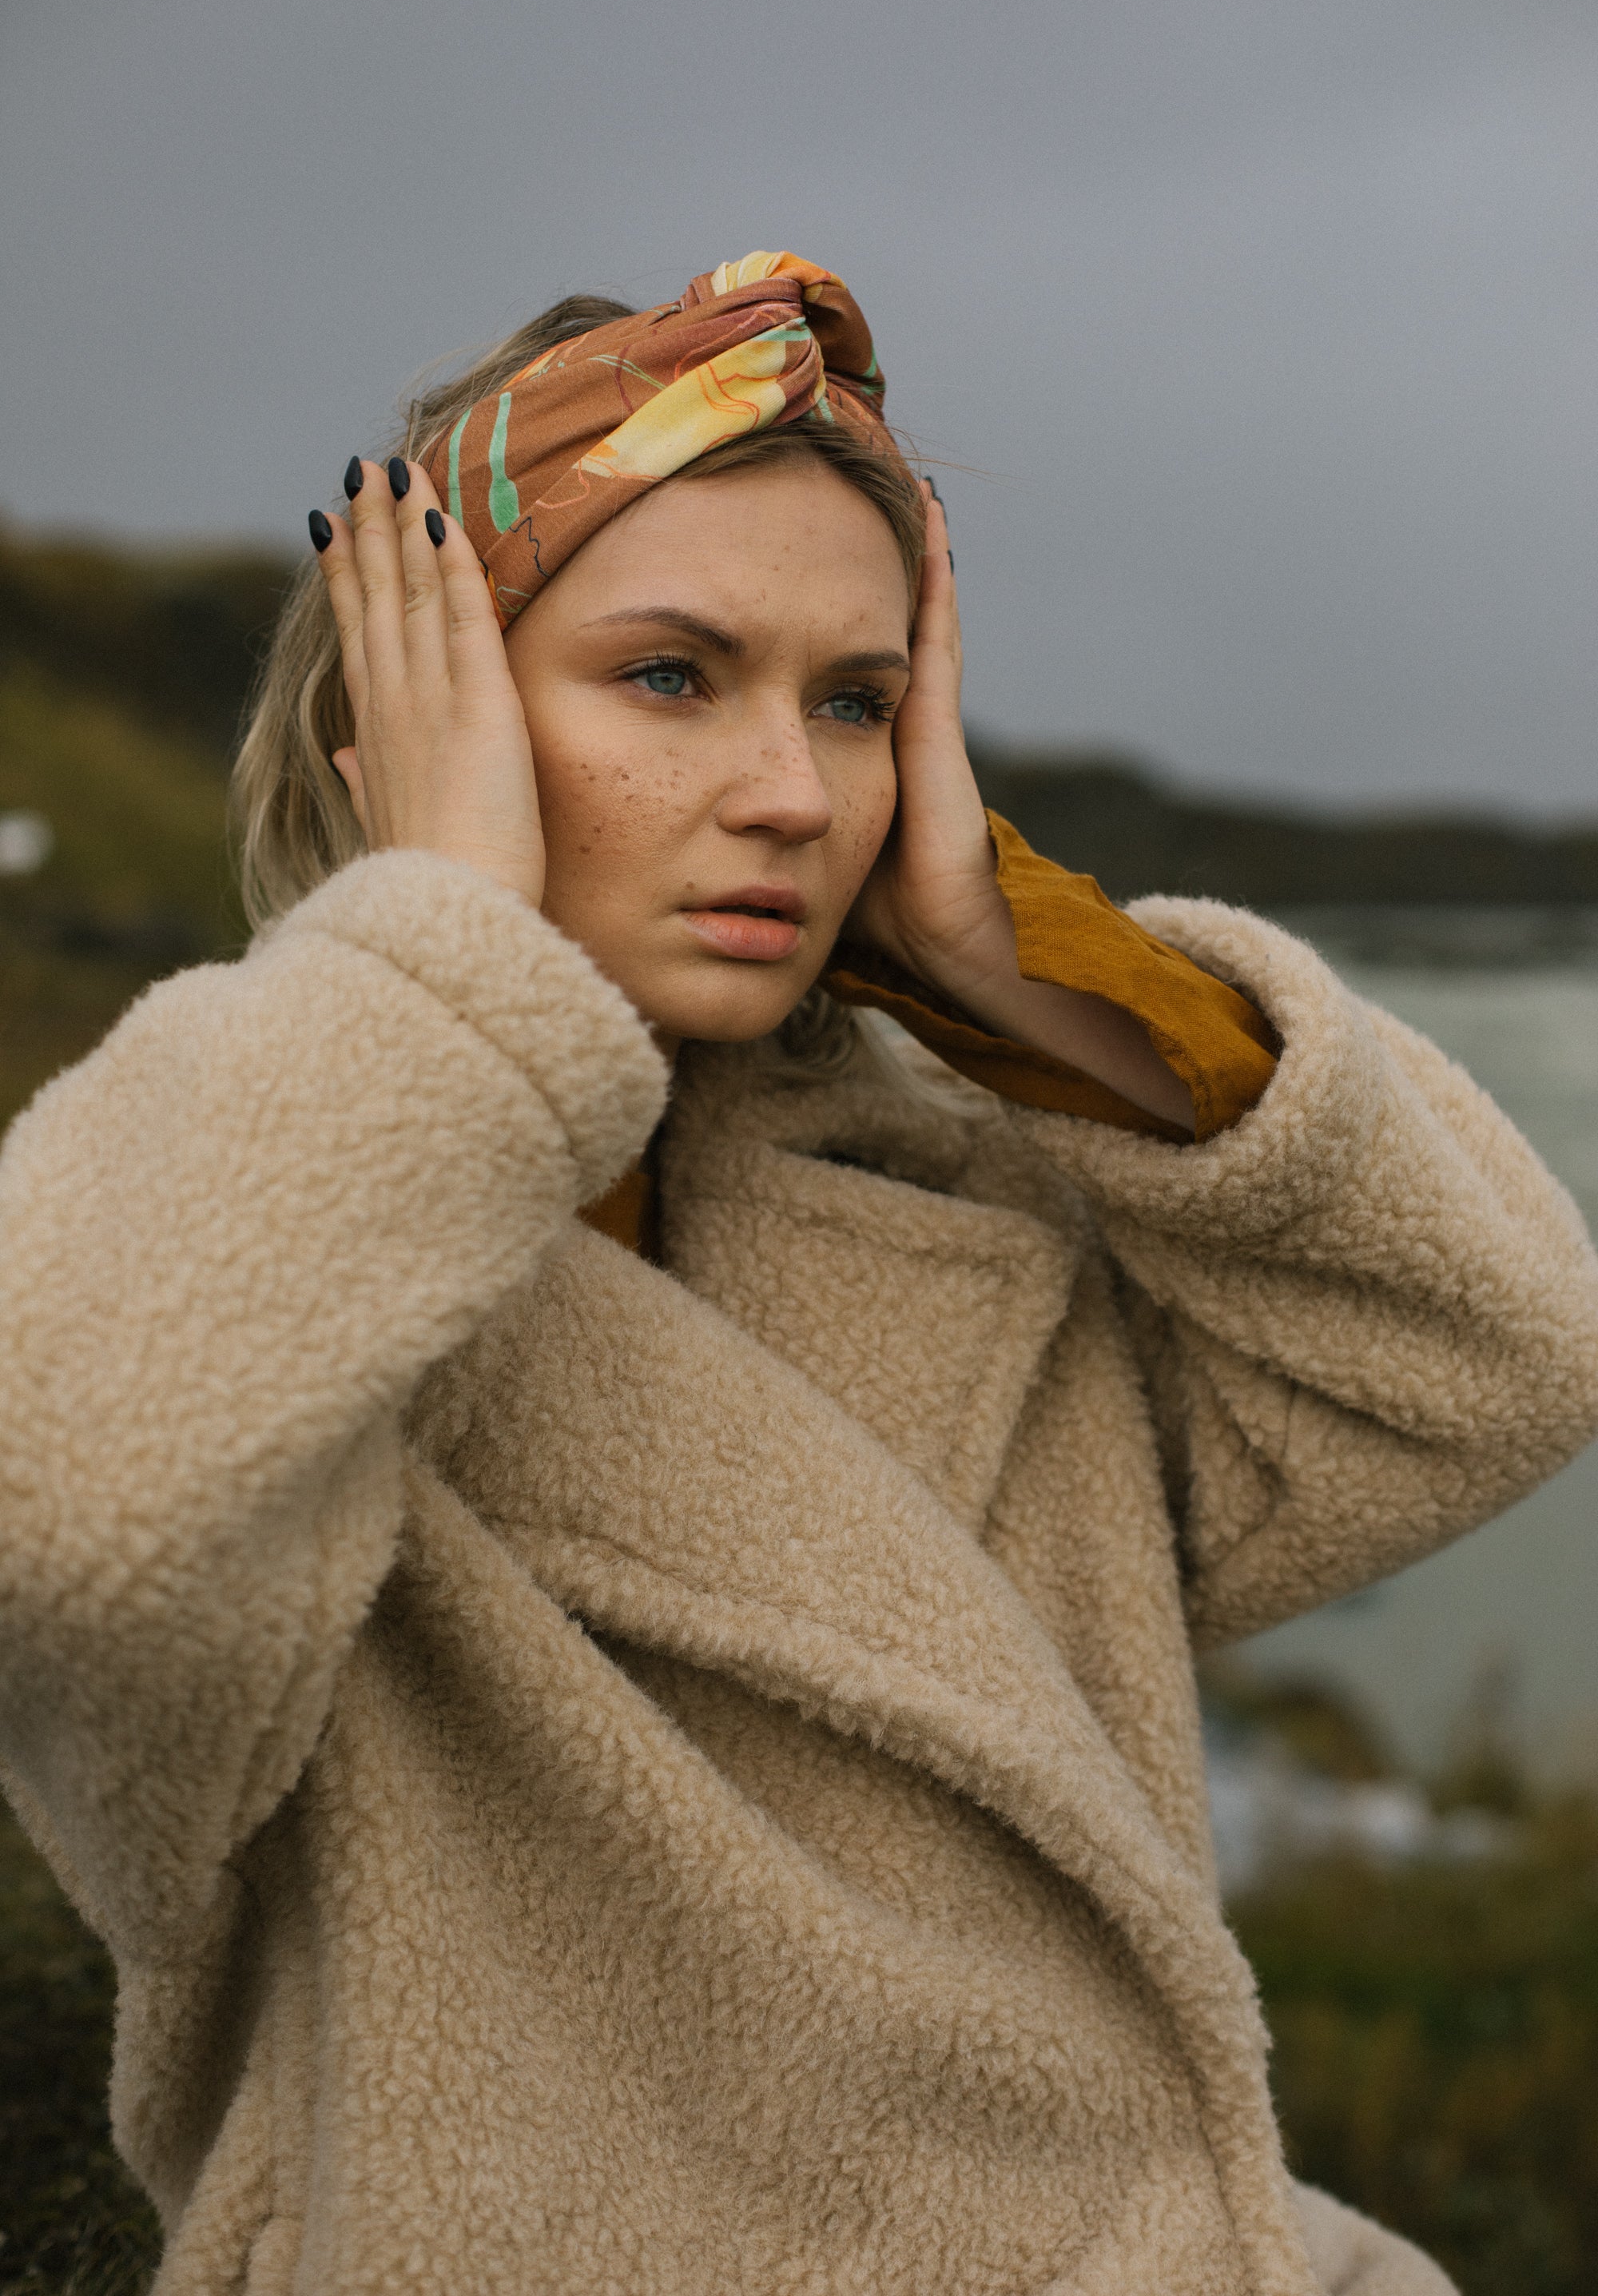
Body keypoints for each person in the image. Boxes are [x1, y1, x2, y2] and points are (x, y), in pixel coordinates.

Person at [1, 252, 1594, 2296]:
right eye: (671, 676)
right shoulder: (250, 1258)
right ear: (403, 720)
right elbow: (71, 1522)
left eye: (856, 703)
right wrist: (439, 947)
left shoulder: (963, 1221)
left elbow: (1491, 1360)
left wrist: (1012, 962)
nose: (792, 795)